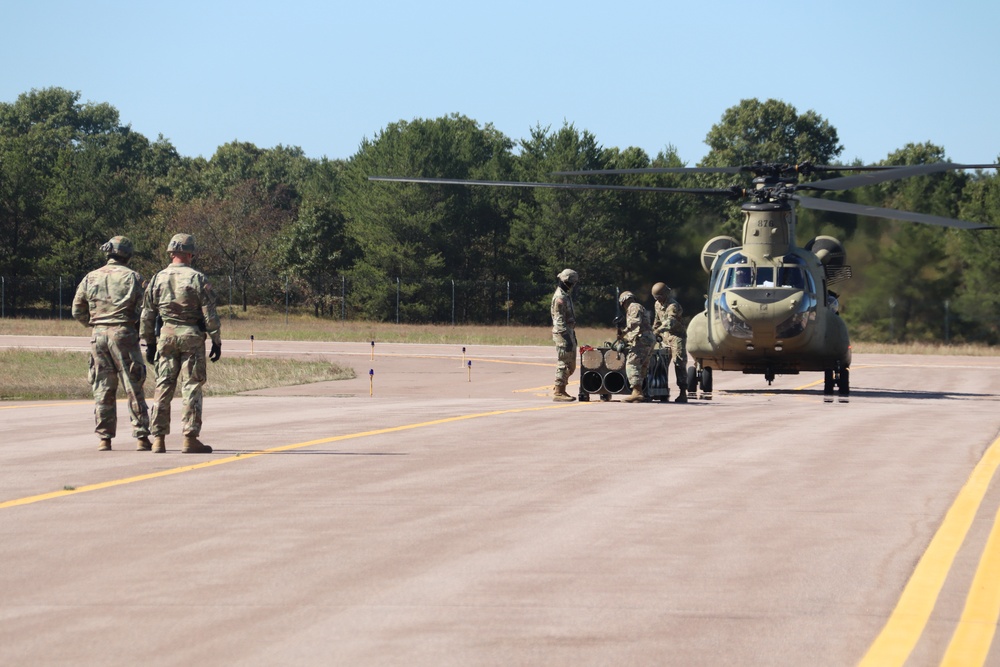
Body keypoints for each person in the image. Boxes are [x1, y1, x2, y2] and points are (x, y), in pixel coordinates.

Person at [140, 234, 222, 454]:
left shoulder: (157, 278)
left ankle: (158, 439)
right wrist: (216, 339)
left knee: (163, 386)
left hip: (165, 337)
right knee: (191, 387)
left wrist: (149, 342)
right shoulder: (197, 278)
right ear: (189, 254)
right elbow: (209, 313)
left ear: (171, 253)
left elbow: (147, 314)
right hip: (191, 337)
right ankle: (189, 437)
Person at [72, 236, 152, 452]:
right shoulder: (134, 277)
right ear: (127, 254)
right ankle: (142, 437)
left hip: (98, 336)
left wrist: (95, 324)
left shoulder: (91, 277)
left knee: (103, 387)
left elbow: (77, 309)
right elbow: (147, 309)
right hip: (124, 333)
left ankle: (104, 438)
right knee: (133, 385)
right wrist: (137, 328)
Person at [651, 282, 689, 403]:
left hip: (676, 337)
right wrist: (652, 332)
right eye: (656, 298)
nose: (658, 300)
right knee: (661, 364)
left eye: (660, 297)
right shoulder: (657, 305)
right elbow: (657, 320)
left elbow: (670, 322)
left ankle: (683, 393)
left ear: (665, 294)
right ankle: (662, 391)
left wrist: (657, 331)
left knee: (679, 363)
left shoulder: (673, 306)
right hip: (665, 337)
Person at [618, 290, 656, 403]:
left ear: (624, 301)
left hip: (643, 339)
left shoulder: (633, 307)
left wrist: (623, 333)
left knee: (632, 363)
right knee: (643, 366)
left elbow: (635, 323)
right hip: (648, 338)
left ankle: (637, 392)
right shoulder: (639, 307)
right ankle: (644, 392)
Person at [550, 268, 579, 402]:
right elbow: (559, 320)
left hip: (568, 332)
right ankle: (559, 391)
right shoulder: (560, 298)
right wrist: (566, 338)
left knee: (571, 364)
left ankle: (561, 388)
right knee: (564, 362)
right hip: (563, 334)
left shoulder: (565, 295)